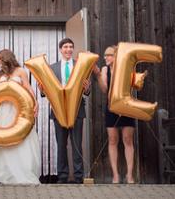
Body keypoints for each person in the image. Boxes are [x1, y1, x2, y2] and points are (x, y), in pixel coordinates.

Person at [0, 49, 41, 184]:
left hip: (17, 111)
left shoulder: (20, 71)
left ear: (7, 59)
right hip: (1, 110)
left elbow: (28, 88)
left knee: (18, 140)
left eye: (0, 59)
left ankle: (17, 172)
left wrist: (35, 103)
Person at [39, 38, 91, 184]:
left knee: (77, 145)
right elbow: (46, 92)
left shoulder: (80, 65)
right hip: (58, 111)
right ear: (60, 49)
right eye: (65, 47)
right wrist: (42, 90)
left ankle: (79, 177)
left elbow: (87, 91)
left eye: (70, 47)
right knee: (61, 145)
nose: (68, 49)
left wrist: (87, 88)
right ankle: (62, 177)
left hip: (77, 111)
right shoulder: (52, 68)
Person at [94, 45, 136, 184]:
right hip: (111, 107)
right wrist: (99, 75)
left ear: (116, 56)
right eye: (105, 55)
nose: (105, 57)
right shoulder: (105, 69)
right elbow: (104, 89)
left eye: (109, 55)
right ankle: (116, 175)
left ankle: (129, 175)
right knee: (112, 140)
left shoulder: (126, 67)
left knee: (128, 139)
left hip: (127, 107)